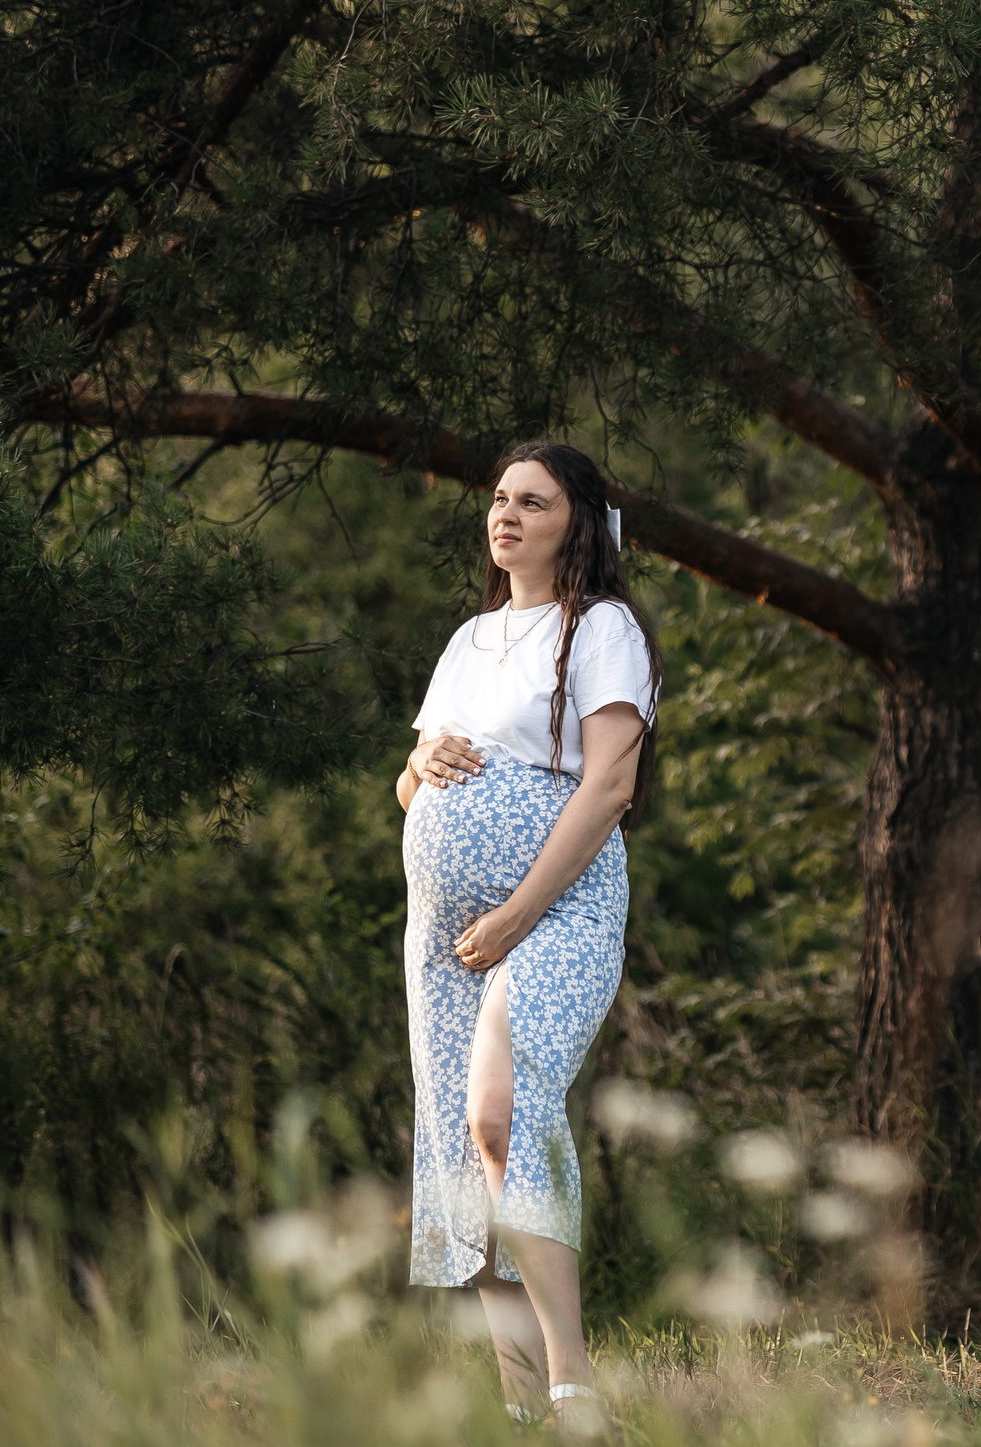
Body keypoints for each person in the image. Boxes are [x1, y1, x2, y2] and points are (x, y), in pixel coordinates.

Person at [398, 442, 662, 1434]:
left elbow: (610, 785)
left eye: (533, 502)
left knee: (506, 1110)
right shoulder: (468, 640)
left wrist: (515, 913)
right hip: (443, 929)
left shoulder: (600, 628)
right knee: (467, 1145)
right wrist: (420, 759)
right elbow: (410, 787)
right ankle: (515, 1405)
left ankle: (571, 1379)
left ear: (578, 523)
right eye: (500, 500)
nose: (505, 515)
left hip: (559, 906)